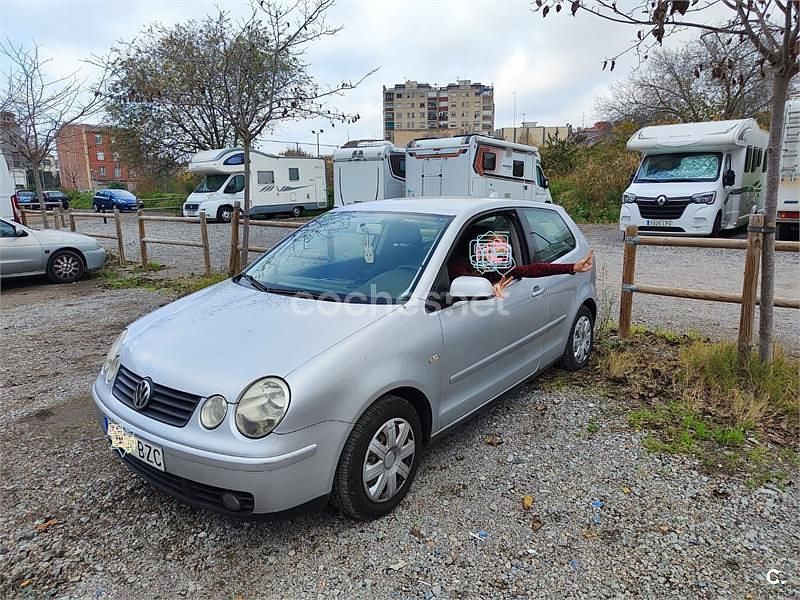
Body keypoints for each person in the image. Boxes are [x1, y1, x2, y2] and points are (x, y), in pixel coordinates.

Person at [448, 229, 593, 298]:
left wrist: (572, 267)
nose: (500, 248)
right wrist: (487, 288)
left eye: (504, 244)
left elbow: (535, 269)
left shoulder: (500, 269)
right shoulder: (457, 264)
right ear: (480, 247)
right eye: (495, 243)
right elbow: (462, 280)